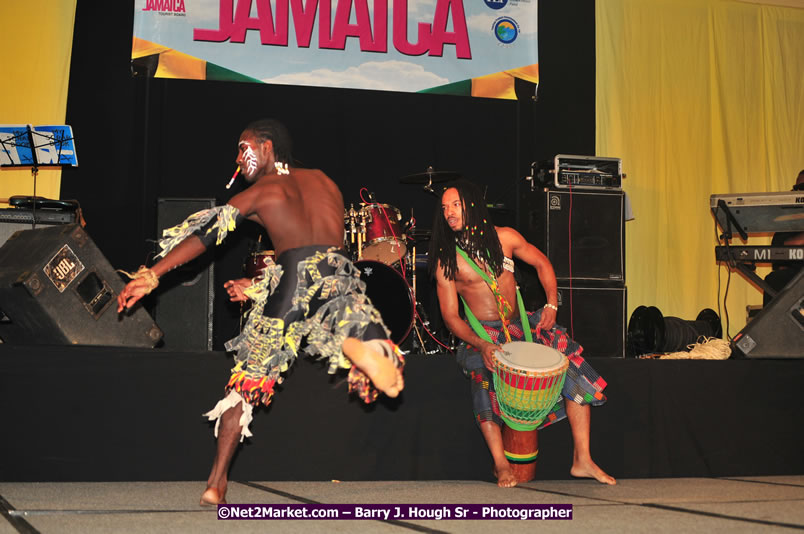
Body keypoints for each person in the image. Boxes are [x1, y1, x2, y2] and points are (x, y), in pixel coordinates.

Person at [117, 119, 404, 506]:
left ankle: (216, 482)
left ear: (267, 147)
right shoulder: (325, 182)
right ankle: (363, 344)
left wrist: (152, 274)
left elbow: (208, 236)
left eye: (243, 148)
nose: (238, 159)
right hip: (339, 276)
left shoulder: (263, 190)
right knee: (347, 315)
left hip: (293, 280)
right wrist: (257, 286)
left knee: (245, 385)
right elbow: (315, 252)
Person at [429, 180, 615, 488]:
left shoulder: (506, 238)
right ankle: (501, 465)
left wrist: (552, 305)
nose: (449, 213)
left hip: (521, 327)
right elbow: (450, 317)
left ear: (473, 205)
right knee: (482, 379)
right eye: (445, 207)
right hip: (481, 335)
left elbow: (542, 263)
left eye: (456, 205)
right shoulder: (447, 260)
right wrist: (481, 344)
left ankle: (582, 458)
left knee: (572, 366)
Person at [763, 170, 804, 306]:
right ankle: (770, 326)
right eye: (796, 188)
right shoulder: (788, 221)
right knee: (774, 280)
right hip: (796, 276)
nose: (798, 192)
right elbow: (778, 250)